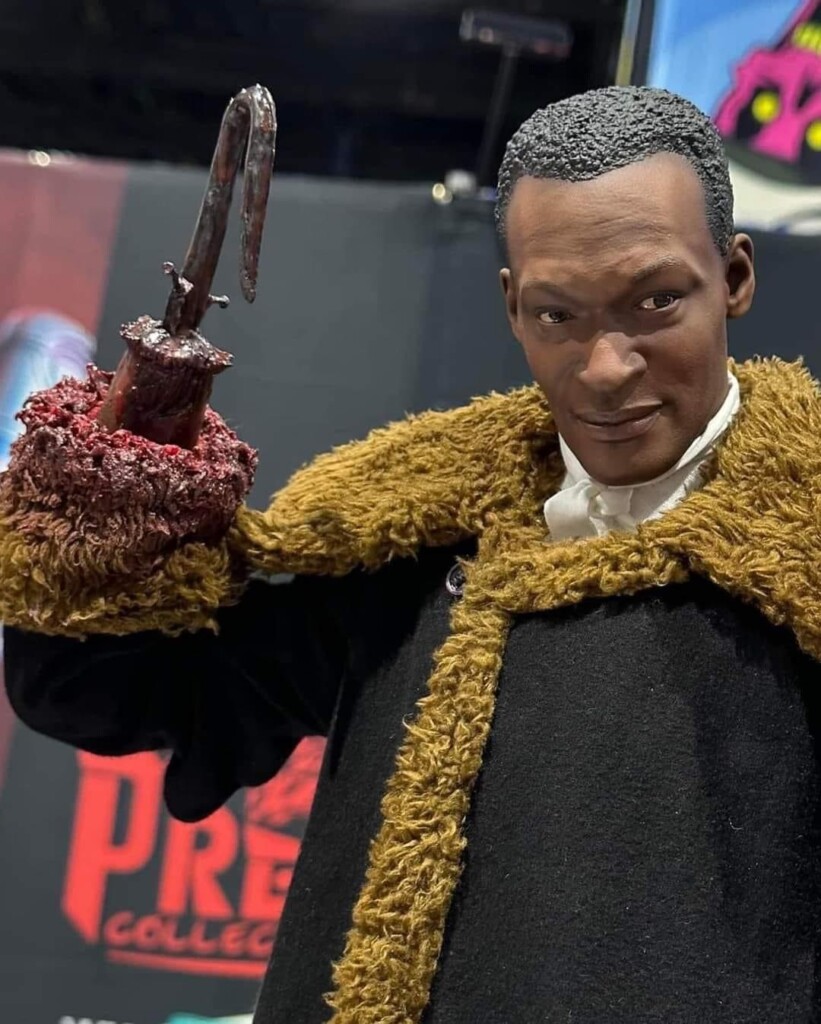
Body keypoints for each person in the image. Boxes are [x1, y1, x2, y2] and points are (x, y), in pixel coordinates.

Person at [2, 85, 820, 1024]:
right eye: (556, 315)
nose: (604, 368)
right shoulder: (409, 537)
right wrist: (128, 457)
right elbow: (108, 690)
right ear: (510, 306)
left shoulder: (801, 551)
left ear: (735, 278)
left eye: (656, 301)